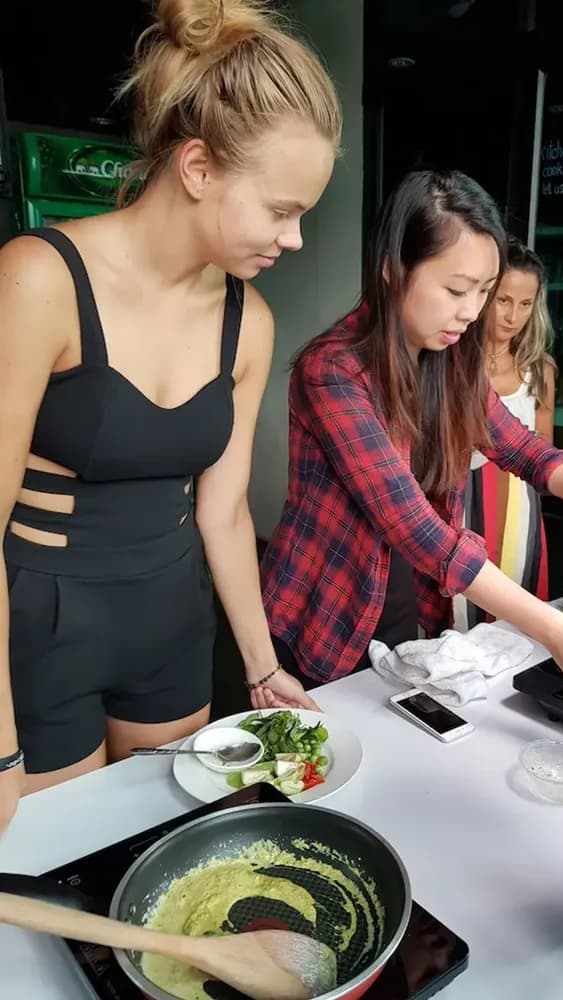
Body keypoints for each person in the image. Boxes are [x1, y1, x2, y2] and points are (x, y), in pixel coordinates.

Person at [0, 0, 341, 833]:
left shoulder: (248, 322)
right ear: (197, 168)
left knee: (166, 846)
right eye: (281, 210)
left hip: (170, 622)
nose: (293, 240)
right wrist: (0, 746)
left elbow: (222, 513)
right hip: (42, 630)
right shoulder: (40, 280)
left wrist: (262, 670)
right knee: (60, 873)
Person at [256, 169, 563, 709]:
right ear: (393, 269)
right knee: (324, 765)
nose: (472, 311)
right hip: (325, 604)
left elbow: (521, 445)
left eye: (484, 291)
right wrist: (556, 632)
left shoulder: (450, 359)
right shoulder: (334, 370)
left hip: (405, 598)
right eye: (457, 290)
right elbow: (414, 526)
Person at [457, 238, 555, 631]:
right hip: (458, 498)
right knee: (459, 611)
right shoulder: (451, 363)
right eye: (503, 300)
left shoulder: (540, 369)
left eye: (525, 304)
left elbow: (544, 450)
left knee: (517, 612)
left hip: (519, 503)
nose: (513, 315)